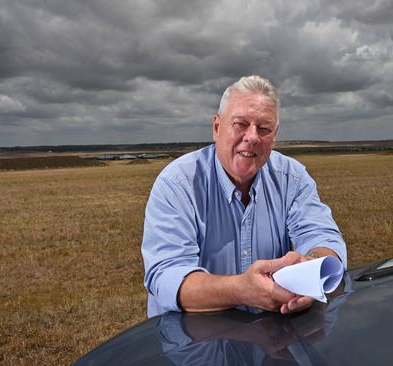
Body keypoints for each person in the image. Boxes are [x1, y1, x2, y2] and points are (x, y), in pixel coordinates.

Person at [142, 75, 347, 318]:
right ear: (217, 127)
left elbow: (322, 236)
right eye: (240, 124)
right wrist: (241, 290)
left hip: (271, 344)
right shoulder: (177, 184)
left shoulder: (292, 177)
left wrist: (311, 269)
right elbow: (167, 277)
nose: (252, 137)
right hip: (195, 345)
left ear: (275, 135)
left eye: (264, 129)